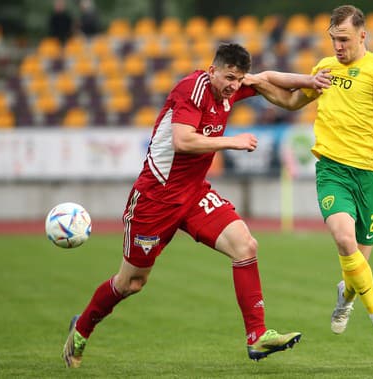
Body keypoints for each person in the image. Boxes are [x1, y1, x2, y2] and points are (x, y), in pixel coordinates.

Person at [62, 43, 331, 368]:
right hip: (156, 199)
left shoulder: (230, 88)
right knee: (131, 283)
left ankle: (256, 336)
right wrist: (232, 141)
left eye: (238, 78)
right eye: (229, 77)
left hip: (194, 194)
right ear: (212, 71)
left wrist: (309, 80)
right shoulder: (192, 89)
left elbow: (267, 79)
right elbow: (183, 140)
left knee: (245, 246)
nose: (234, 85)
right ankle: (83, 326)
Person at [245, 4, 373, 352]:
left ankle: (346, 296)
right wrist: (260, 85)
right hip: (332, 170)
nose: (338, 46)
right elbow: (293, 101)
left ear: (361, 36)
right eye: (333, 40)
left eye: (343, 39)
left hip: (369, 174)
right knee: (344, 241)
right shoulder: (324, 68)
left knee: (357, 266)